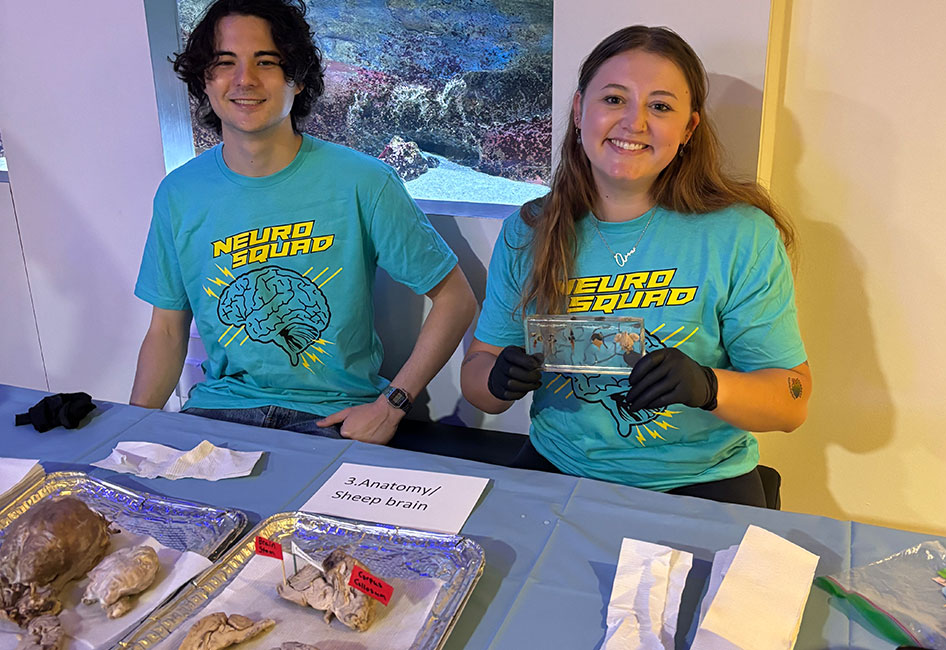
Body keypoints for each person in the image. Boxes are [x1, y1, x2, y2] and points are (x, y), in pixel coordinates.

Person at [460, 25, 811, 507]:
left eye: (660, 106)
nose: (634, 122)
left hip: (702, 481)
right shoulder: (529, 229)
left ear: (688, 129)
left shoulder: (740, 235)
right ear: (581, 111)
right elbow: (479, 373)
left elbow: (792, 399)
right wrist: (496, 378)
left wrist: (709, 386)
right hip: (559, 469)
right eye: (614, 99)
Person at [131, 0, 475, 444]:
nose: (245, 80)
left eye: (266, 62)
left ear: (297, 78)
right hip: (219, 414)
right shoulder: (179, 194)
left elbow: (455, 299)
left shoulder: (364, 181)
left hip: (334, 420)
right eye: (225, 63)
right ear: (205, 79)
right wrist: (133, 430)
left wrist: (393, 405)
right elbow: (165, 329)